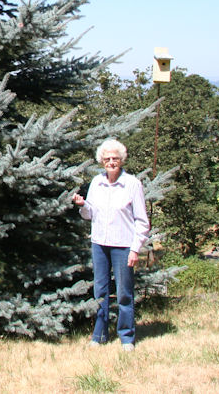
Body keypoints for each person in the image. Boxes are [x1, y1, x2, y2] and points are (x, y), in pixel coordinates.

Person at [72, 138, 150, 351]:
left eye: (115, 158)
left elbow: (142, 221)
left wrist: (135, 249)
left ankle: (126, 337)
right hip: (99, 244)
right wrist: (82, 205)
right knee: (100, 291)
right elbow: (90, 214)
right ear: (101, 161)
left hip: (123, 245)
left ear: (121, 160)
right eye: (107, 159)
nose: (111, 162)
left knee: (124, 292)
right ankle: (99, 334)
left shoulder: (132, 184)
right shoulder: (97, 182)